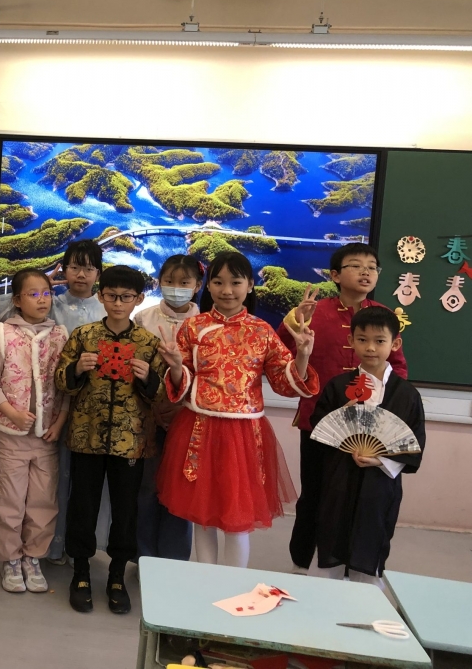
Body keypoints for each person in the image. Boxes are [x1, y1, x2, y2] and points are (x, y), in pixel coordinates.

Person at [155, 252, 318, 568]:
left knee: (237, 518)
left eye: (235, 282)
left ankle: (234, 584)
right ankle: (206, 580)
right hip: (198, 427)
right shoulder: (193, 327)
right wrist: (175, 366)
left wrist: (302, 355)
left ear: (250, 285)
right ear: (208, 286)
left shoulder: (262, 331)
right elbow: (182, 382)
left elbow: (284, 382)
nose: (226, 290)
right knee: (202, 516)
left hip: (243, 433)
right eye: (218, 282)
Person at [277, 242, 408, 574]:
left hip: (369, 427)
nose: (366, 272)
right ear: (335, 275)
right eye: (356, 265)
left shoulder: (383, 316)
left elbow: (398, 368)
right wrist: (295, 321)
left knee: (359, 498)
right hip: (320, 422)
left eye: (372, 267)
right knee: (315, 495)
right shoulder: (315, 312)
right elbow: (282, 354)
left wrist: (387, 407)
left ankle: (352, 564)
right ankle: (301, 564)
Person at [56, 265, 166, 614]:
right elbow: (61, 381)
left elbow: (161, 394)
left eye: (126, 297)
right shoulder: (83, 336)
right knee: (82, 505)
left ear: (139, 299)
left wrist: (148, 378)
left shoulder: (149, 344)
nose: (118, 303)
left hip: (130, 440)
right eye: (112, 296)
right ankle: (81, 572)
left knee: (126, 509)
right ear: (101, 296)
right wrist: (76, 369)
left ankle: (117, 575)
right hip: (86, 435)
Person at [0, 239, 108, 565]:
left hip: (91, 408)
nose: (81, 274)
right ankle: (49, 549)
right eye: (74, 266)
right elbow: (6, 314)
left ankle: (79, 548)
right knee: (52, 482)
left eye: (88, 268)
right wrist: (42, 285)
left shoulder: (106, 308)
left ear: (98, 272)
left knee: (85, 482)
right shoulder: (53, 303)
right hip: (51, 406)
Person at [308, 307, 425, 588]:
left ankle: (367, 602)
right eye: (362, 339)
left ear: (395, 343)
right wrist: (342, 415)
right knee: (331, 539)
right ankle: (323, 599)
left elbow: (414, 441)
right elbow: (320, 429)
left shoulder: (406, 394)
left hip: (379, 484)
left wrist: (381, 460)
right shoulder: (338, 386)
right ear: (351, 341)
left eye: (379, 340)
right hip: (339, 479)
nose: (370, 347)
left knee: (371, 542)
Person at [0, 269, 68, 594]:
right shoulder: (4, 333)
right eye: (33, 294)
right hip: (10, 435)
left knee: (43, 502)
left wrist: (58, 423)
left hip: (46, 437)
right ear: (17, 300)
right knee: (9, 500)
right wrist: (12, 414)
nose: (42, 300)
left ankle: (33, 557)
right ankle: (11, 559)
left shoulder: (59, 335)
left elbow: (66, 388)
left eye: (46, 293)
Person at [133, 254, 204, 564]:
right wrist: (155, 405)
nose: (176, 287)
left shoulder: (205, 324)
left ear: (197, 286)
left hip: (189, 417)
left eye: (184, 282)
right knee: (146, 488)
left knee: (180, 490)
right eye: (169, 281)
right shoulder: (143, 319)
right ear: (159, 282)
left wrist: (182, 406)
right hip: (147, 415)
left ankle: (174, 562)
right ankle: (144, 559)